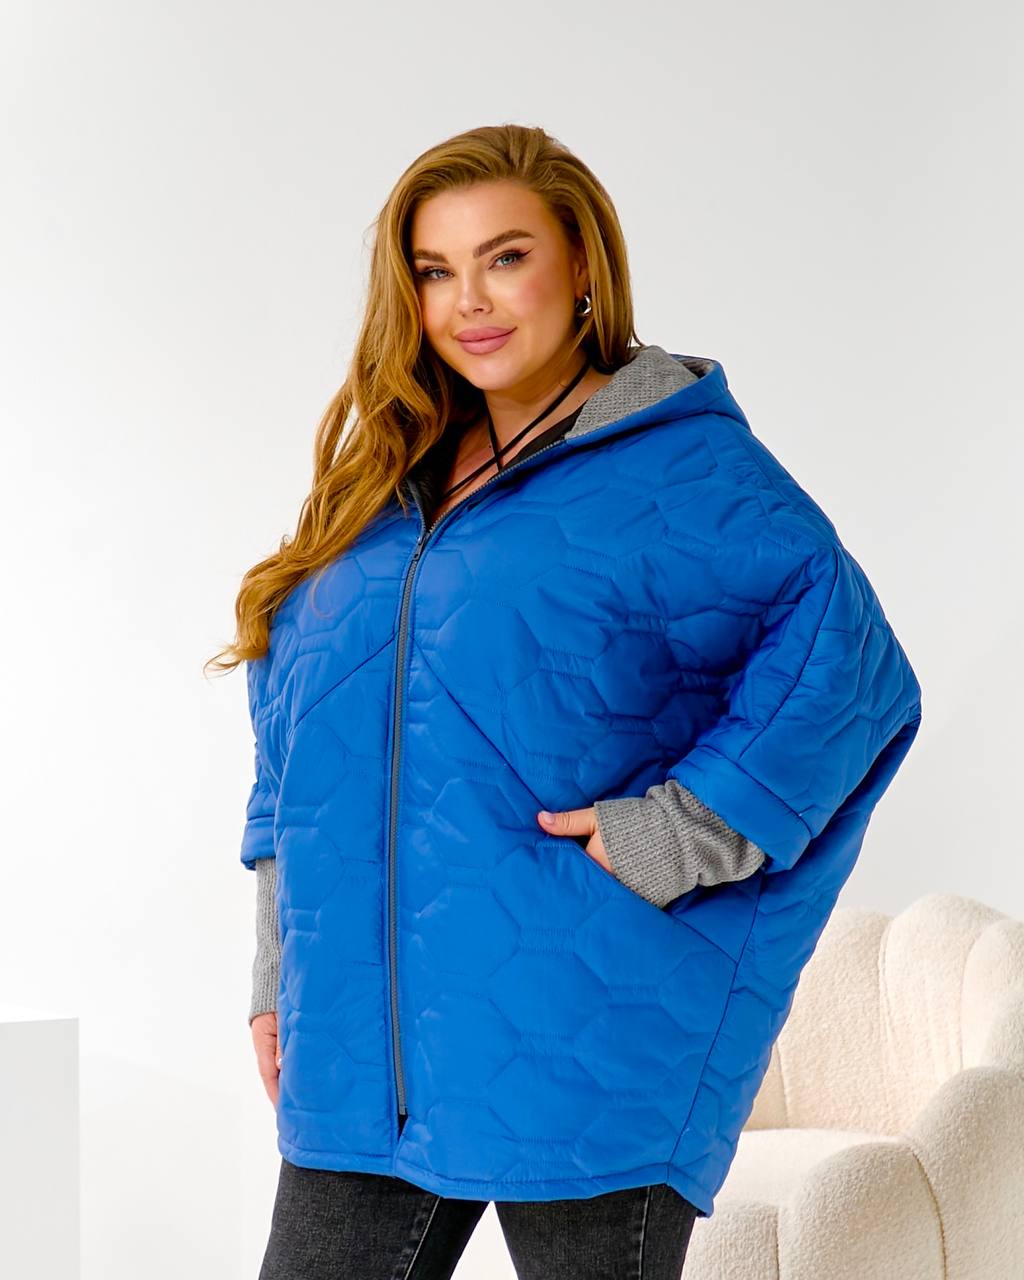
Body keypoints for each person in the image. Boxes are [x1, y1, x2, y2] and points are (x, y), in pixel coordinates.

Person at [206, 123, 923, 1279]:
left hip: (583, 1005)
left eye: (504, 257)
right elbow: (295, 756)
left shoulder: (684, 465)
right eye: (434, 270)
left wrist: (676, 831)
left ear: (581, 264)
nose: (468, 302)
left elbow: (847, 668)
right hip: (362, 1025)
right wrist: (275, 968)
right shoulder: (382, 480)